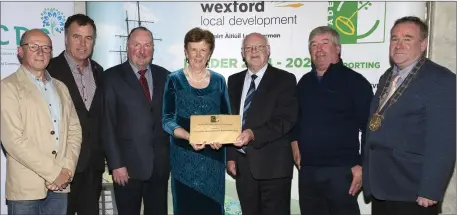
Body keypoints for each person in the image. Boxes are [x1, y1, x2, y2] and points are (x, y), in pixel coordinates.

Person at [363, 16, 456, 215]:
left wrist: (430, 189)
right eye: (394, 38)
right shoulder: (386, 77)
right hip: (382, 185)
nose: (399, 45)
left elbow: (443, 141)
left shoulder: (441, 79)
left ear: (423, 44)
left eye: (407, 38)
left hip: (412, 190)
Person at [290, 26, 373, 215]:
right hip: (308, 170)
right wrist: (294, 143)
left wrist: (362, 165)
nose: (319, 49)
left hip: (341, 171)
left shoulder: (356, 82)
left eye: (324, 43)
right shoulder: (304, 83)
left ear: (338, 48)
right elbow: (295, 119)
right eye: (314, 45)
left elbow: (370, 128)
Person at [1, 29, 82, 215]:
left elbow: (75, 131)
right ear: (20, 51)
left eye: (46, 48)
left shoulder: (61, 87)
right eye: (34, 46)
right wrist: (54, 173)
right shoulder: (7, 87)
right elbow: (13, 141)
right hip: (25, 189)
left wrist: (67, 170)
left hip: (61, 186)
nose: (41, 52)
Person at [100, 27, 170, 215]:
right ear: (127, 46)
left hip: (159, 167)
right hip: (126, 169)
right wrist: (116, 164)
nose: (142, 50)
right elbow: (107, 124)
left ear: (153, 49)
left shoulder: (166, 76)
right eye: (137, 45)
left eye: (147, 45)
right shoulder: (111, 77)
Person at [226, 33, 298, 215]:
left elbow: (286, 120)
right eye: (249, 48)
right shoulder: (233, 81)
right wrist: (231, 156)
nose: (254, 51)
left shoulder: (285, 79)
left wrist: (253, 133)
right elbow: (230, 119)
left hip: (274, 166)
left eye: (259, 47)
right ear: (243, 53)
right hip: (243, 166)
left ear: (268, 51)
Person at [162, 27, 230, 215]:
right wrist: (188, 136)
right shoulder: (174, 80)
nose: (198, 55)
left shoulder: (219, 81)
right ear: (185, 51)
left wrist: (221, 136)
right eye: (193, 49)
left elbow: (225, 118)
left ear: (210, 53)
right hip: (184, 158)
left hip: (213, 160)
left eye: (203, 50)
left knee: (212, 209)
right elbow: (167, 119)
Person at [46, 14, 105, 215]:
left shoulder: (99, 71)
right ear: (65, 38)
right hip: (61, 167)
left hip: (93, 165)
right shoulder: (49, 70)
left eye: (88, 38)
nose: (82, 44)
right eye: (76, 37)